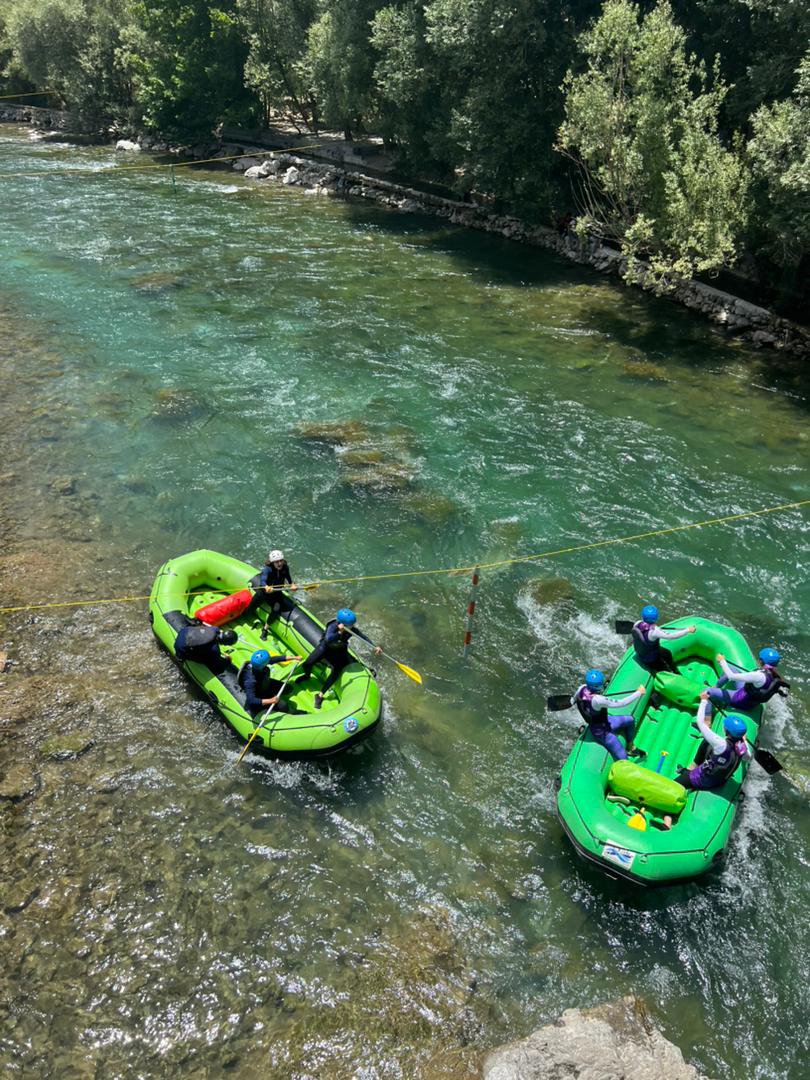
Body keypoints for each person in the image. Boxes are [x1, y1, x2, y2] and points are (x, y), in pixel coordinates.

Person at [297, 608, 381, 710]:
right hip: (325, 648)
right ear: (342, 624)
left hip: (339, 652)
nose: (353, 626)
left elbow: (363, 637)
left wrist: (374, 646)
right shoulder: (332, 626)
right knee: (307, 663)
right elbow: (328, 639)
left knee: (336, 672)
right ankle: (307, 675)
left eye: (353, 624)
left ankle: (320, 695)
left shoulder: (351, 629)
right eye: (351, 625)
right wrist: (340, 632)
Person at [572, 669, 647, 761]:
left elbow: (573, 700)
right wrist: (639, 693)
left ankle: (630, 746)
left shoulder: (582, 688)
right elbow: (622, 703)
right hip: (602, 732)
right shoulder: (598, 700)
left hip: (606, 722)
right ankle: (628, 753)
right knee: (624, 758)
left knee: (630, 720)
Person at [705, 647, 789, 711]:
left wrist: (722, 661)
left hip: (740, 700)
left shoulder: (758, 675)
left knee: (707, 692)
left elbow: (731, 676)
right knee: (732, 668)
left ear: (761, 661)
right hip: (750, 700)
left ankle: (707, 721)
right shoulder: (774, 675)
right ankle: (716, 687)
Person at [631, 605, 696, 674]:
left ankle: (675, 670)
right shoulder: (654, 631)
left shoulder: (638, 623)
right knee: (666, 671)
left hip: (643, 651)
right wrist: (687, 630)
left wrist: (656, 628)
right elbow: (671, 636)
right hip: (651, 659)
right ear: (656, 618)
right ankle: (671, 673)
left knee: (667, 653)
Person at [242, 648, 303, 717]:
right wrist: (271, 700)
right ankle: (293, 713)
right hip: (260, 694)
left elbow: (276, 659)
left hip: (266, 684)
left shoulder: (259, 664)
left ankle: (274, 694)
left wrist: (294, 658)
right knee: (283, 706)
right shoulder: (250, 680)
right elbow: (251, 700)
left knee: (288, 688)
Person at [246, 549, 299, 622]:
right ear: (273, 562)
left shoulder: (285, 567)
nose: (280, 563)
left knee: (277, 609)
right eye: (277, 562)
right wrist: (266, 587)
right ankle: (247, 615)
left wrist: (292, 585)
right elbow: (263, 581)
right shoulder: (267, 569)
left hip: (276, 593)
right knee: (251, 607)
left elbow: (289, 578)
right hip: (264, 592)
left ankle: (266, 628)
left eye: (281, 560)